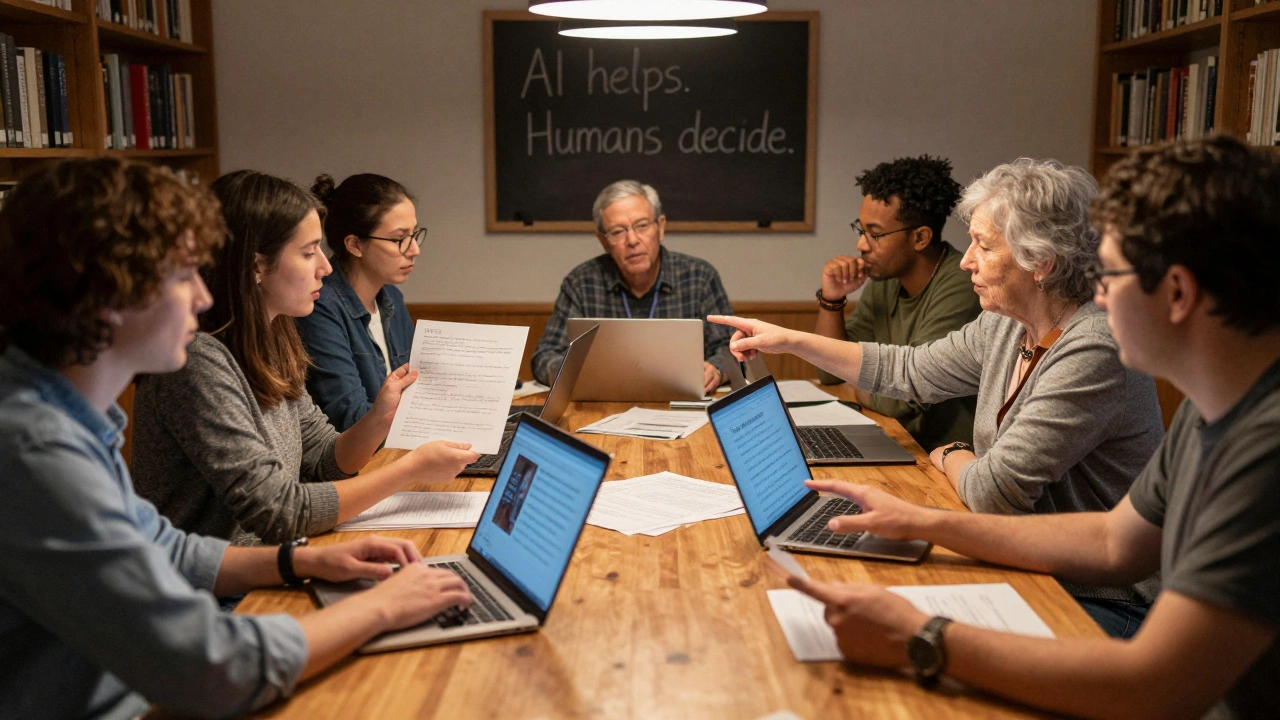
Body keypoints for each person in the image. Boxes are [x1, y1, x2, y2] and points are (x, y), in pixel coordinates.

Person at [770, 136, 1280, 720]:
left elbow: (1155, 686)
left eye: (1110, 275)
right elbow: (1115, 542)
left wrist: (923, 636)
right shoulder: (1213, 407)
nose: (1099, 293)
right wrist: (921, 521)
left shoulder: (1265, 448)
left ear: (1178, 292)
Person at [0, 158, 473, 718]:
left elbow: (165, 545)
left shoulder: (70, 420)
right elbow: (214, 668)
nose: (202, 297)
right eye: (183, 276)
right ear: (108, 296)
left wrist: (301, 564)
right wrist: (383, 608)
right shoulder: (36, 451)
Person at [712, 158, 1164, 637]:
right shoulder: (1007, 324)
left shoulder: (1093, 345)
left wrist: (951, 454)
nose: (966, 259)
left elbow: (993, 495)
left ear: (1041, 262)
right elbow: (911, 371)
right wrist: (787, 340)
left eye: (984, 246)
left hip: (1101, 599)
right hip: (1026, 564)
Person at [131, 170, 478, 545]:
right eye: (309, 252)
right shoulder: (197, 363)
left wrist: (380, 418)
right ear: (257, 265)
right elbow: (281, 512)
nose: (326, 267)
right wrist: (410, 468)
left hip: (274, 562)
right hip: (217, 590)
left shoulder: (275, 338)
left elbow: (323, 460)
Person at [814, 155, 982, 449]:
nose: (861, 245)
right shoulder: (886, 281)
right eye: (861, 229)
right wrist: (832, 298)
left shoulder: (962, 285)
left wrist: (858, 384)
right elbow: (830, 371)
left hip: (947, 461)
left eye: (875, 234)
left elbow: (906, 399)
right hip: (903, 445)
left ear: (920, 238)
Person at [531, 179, 734, 394]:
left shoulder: (699, 277)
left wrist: (717, 370)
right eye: (618, 231)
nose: (632, 240)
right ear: (603, 241)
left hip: (681, 402)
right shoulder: (582, 283)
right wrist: (568, 372)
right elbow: (545, 356)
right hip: (604, 404)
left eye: (642, 226)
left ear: (661, 227)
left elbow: (732, 348)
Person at [296, 173, 420, 431]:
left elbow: (415, 395)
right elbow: (351, 419)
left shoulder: (392, 299)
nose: (414, 249)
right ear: (354, 245)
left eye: (414, 234)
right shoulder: (319, 306)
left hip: (394, 450)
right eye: (400, 239)